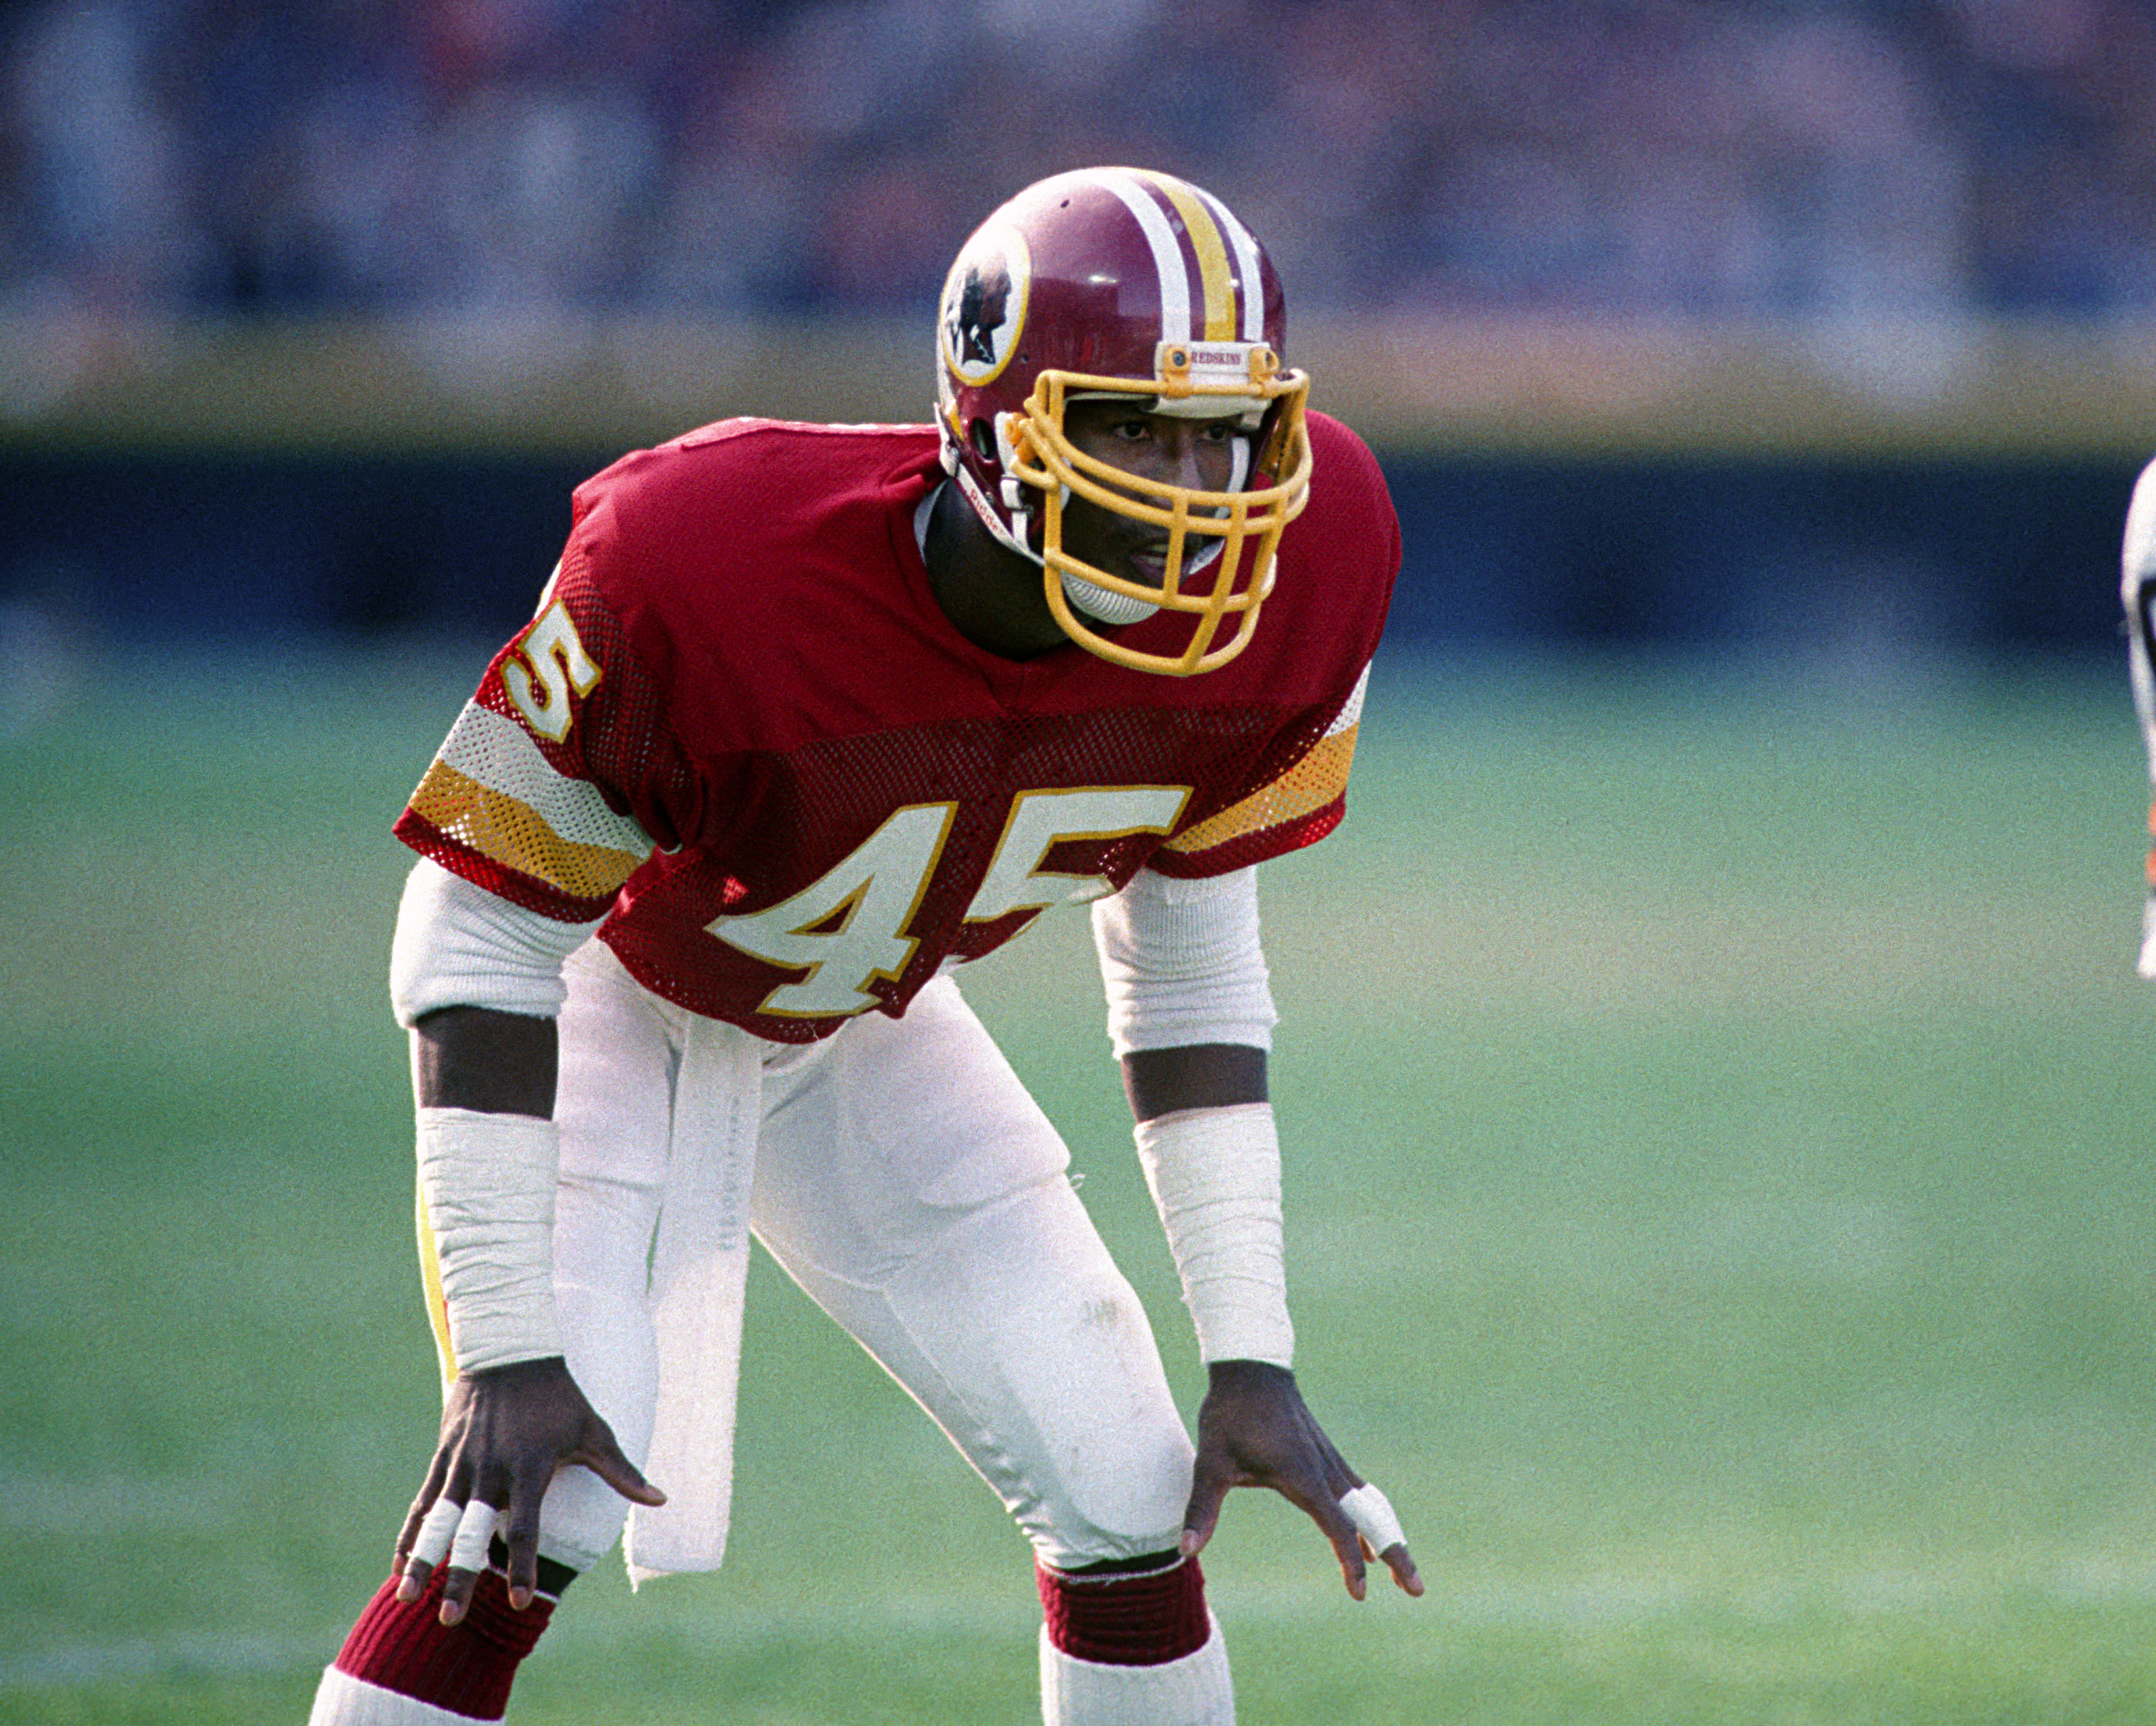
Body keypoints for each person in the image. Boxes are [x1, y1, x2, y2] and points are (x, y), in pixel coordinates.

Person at [306, 165, 1422, 1726]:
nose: (1196, 484)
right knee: (524, 1511)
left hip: (843, 1020)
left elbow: (1192, 970)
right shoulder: (712, 561)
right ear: (992, 422)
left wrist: (1252, 1352)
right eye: (1131, 426)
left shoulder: (1307, 570)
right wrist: (503, 1343)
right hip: (604, 990)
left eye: (1225, 431)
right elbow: (476, 927)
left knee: (1124, 1480)